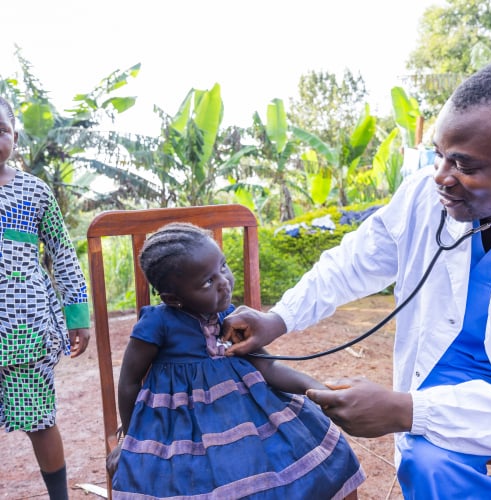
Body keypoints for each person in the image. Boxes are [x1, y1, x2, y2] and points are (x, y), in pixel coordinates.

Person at [222, 59, 491, 499]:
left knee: (434, 462)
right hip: (436, 387)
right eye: (438, 154)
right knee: (428, 464)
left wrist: (408, 411)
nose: (441, 177)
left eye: (464, 165)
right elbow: (352, 262)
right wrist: (279, 318)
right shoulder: (423, 197)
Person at [108, 222, 365, 499]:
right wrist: (131, 439)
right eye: (208, 282)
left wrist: (315, 389)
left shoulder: (230, 318)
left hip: (249, 416)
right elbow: (129, 381)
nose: (224, 282)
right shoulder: (157, 323)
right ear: (173, 298)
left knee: (319, 451)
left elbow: (268, 366)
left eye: (223, 267)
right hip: (182, 428)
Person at [0, 96, 91, 499]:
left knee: (39, 420)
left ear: (15, 137)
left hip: (27, 329)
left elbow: (63, 253)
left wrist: (78, 316)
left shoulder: (34, 192)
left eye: (0, 131)